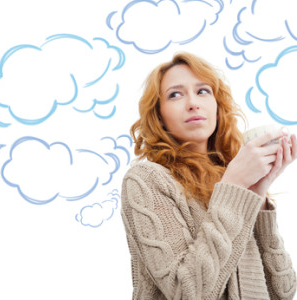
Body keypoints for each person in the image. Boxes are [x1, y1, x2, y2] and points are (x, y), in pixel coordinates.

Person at [121, 52, 297, 299]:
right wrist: (235, 186)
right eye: (175, 94)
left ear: (217, 106)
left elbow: (283, 292)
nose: (193, 103)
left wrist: (257, 194)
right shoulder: (146, 179)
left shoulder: (233, 181)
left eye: (203, 91)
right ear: (159, 116)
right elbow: (188, 293)